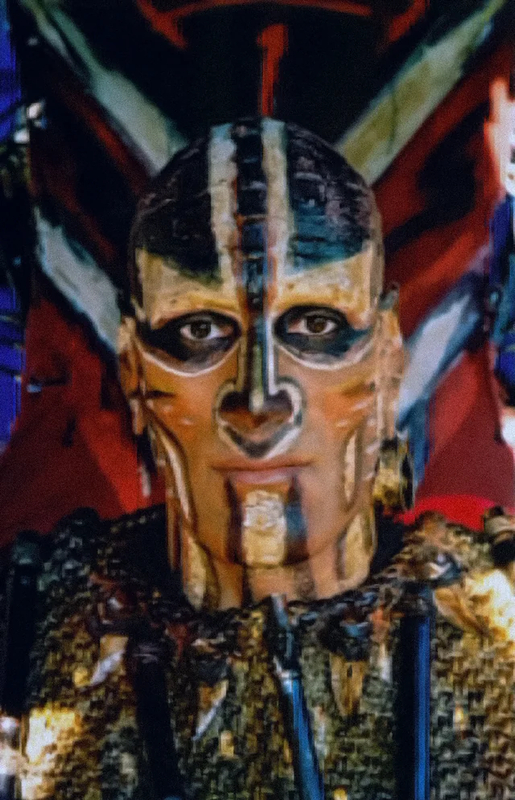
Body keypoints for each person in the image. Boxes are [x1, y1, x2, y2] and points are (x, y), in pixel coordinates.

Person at [2, 119, 515, 800]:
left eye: (316, 324)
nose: (259, 400)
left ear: (386, 362)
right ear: (134, 370)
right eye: (199, 329)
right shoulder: (29, 629)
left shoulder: (498, 623)